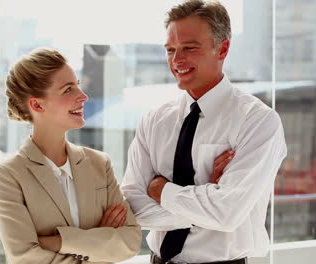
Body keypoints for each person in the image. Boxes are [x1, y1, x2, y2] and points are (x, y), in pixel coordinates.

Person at [121, 1, 287, 264]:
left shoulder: (258, 122)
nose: (177, 60)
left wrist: (162, 190)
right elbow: (131, 208)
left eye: (189, 48)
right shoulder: (155, 120)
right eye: (170, 50)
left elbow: (228, 212)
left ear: (222, 48)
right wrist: (208, 197)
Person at [0, 48, 141, 264]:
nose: (83, 96)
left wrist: (57, 241)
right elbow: (24, 257)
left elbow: (130, 242)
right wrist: (99, 243)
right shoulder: (8, 174)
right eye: (69, 89)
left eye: (78, 85)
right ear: (37, 104)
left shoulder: (99, 163)